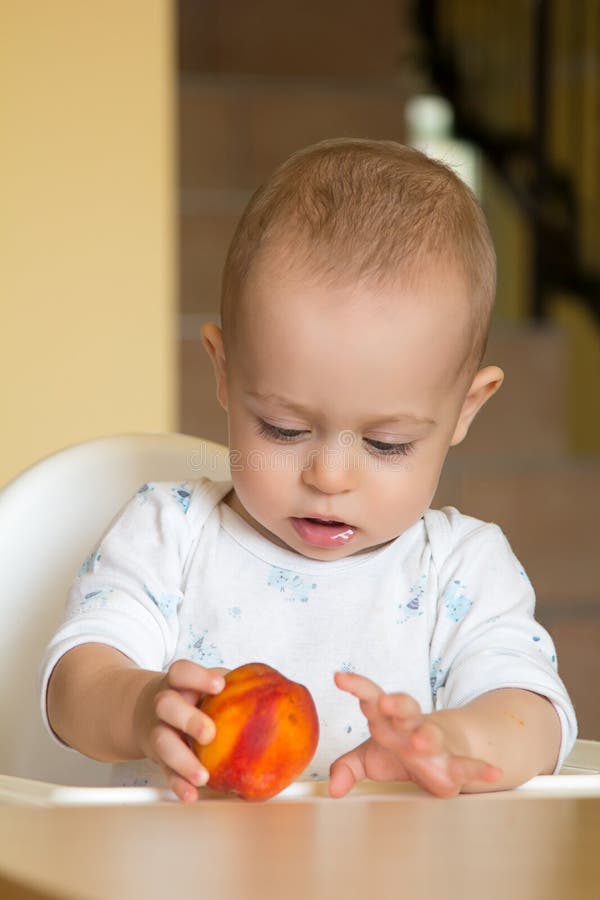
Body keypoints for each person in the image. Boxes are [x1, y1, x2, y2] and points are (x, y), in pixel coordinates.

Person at [41, 139, 577, 803]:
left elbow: (536, 715)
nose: (330, 476)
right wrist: (140, 705)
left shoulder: (460, 570)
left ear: (466, 409)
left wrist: (456, 742)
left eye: (387, 444)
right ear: (226, 374)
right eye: (284, 430)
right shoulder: (168, 534)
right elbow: (74, 686)